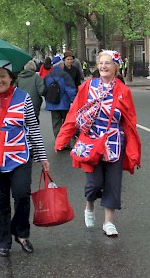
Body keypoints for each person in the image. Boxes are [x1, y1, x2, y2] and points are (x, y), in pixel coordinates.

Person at [0, 60, 50, 257]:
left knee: (22, 194)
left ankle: (21, 233)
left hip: (20, 155)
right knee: (0, 200)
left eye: (3, 76)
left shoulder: (24, 98)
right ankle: (3, 241)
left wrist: (42, 157)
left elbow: (33, 127)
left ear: (11, 78)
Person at [55, 50, 141, 237]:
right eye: (101, 62)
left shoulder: (123, 91)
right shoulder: (88, 86)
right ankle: (90, 205)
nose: (103, 66)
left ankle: (109, 222)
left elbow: (130, 122)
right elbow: (73, 114)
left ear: (115, 67)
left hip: (114, 144)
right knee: (94, 184)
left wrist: (133, 152)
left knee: (113, 183)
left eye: (108, 63)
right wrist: (62, 139)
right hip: (91, 143)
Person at [44, 55, 77, 141]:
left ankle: (59, 142)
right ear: (61, 64)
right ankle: (67, 142)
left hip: (52, 104)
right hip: (64, 104)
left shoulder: (48, 76)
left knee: (56, 123)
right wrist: (73, 101)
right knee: (67, 123)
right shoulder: (65, 75)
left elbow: (44, 90)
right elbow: (70, 89)